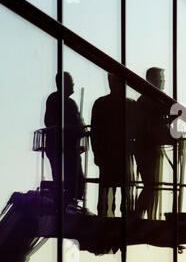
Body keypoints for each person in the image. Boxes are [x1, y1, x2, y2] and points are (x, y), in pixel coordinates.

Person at [90, 73, 136, 217]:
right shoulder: (130, 104)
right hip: (121, 155)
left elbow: (95, 132)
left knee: (109, 195)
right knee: (124, 192)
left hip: (109, 156)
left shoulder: (101, 104)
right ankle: (123, 219)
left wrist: (97, 154)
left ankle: (107, 219)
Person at [134, 67, 175, 220]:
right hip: (147, 149)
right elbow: (150, 127)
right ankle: (138, 216)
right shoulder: (150, 100)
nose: (163, 82)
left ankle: (139, 215)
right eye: (160, 79)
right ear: (151, 81)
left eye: (162, 79)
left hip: (148, 148)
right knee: (151, 185)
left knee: (151, 185)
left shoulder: (149, 100)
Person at [44, 71, 86, 207]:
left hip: (64, 147)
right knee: (72, 180)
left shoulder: (60, 100)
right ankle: (66, 205)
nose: (73, 85)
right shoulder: (60, 101)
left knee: (70, 181)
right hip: (63, 148)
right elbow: (50, 121)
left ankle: (67, 204)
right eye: (71, 82)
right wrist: (73, 128)